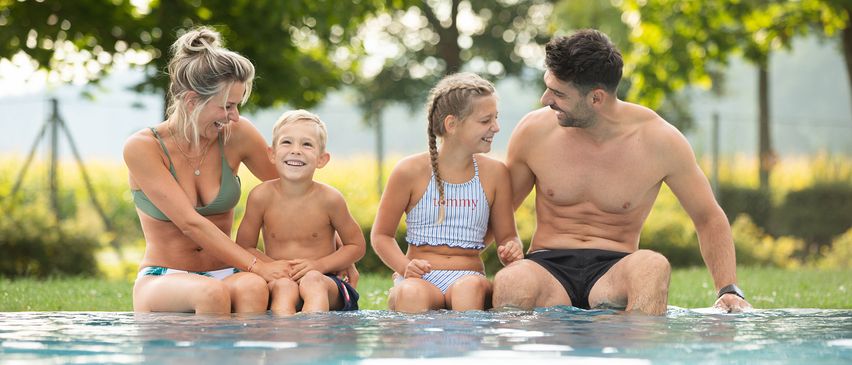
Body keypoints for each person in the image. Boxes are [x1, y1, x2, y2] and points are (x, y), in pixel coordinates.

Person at [493, 29, 753, 315]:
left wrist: (728, 289)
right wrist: (448, 263)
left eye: (558, 93)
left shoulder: (660, 140)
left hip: (614, 271)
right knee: (510, 280)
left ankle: (629, 355)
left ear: (596, 98)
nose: (545, 99)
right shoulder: (533, 131)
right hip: (546, 267)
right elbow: (500, 209)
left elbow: (708, 216)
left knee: (653, 266)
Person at [125, 26, 293, 313]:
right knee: (211, 293)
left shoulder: (236, 133)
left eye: (237, 105)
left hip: (226, 271)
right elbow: (191, 224)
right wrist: (256, 265)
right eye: (226, 106)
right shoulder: (143, 147)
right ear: (192, 101)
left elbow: (294, 190)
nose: (235, 116)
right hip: (164, 276)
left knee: (253, 287)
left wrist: (336, 252)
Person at [372, 72, 524, 313]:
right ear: (452, 124)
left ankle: (464, 347)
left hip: (468, 277)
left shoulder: (495, 173)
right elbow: (381, 235)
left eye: (496, 118)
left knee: (468, 290)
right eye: (486, 120)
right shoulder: (409, 171)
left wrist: (511, 248)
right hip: (419, 278)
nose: (496, 127)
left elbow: (507, 236)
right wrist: (404, 267)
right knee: (410, 293)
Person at [235, 110, 366, 315]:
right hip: (278, 278)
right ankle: (284, 340)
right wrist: (273, 267)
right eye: (287, 142)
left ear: (322, 159)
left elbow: (356, 245)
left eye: (307, 144)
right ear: (272, 153)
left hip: (326, 280)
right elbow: (244, 246)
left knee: (312, 281)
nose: (296, 150)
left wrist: (319, 265)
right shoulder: (260, 197)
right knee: (284, 287)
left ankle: (312, 340)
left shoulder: (330, 199)